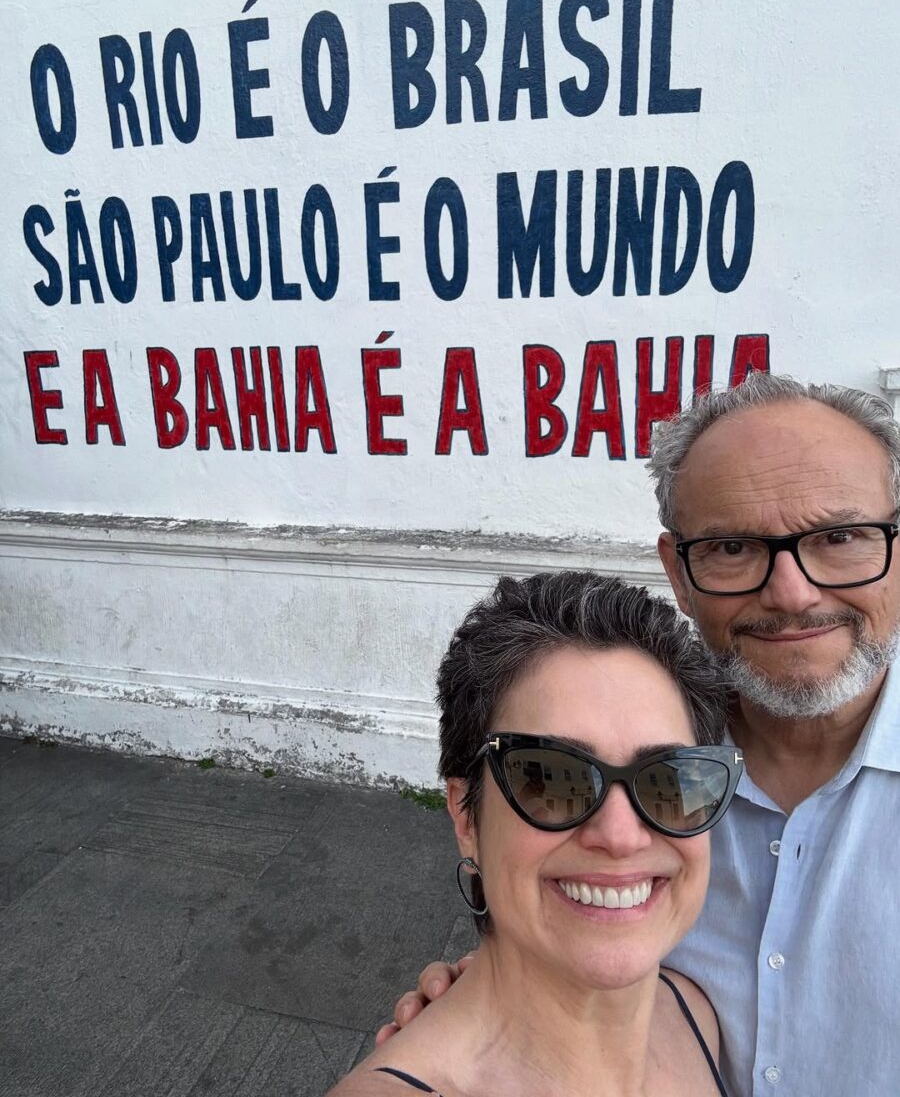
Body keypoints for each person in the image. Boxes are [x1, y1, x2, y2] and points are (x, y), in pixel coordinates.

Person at [381, 373, 900, 1096]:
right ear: (677, 574)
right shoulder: (649, 761)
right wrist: (501, 994)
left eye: (840, 536)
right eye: (732, 548)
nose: (792, 592)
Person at [329, 570, 742, 1096]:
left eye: (668, 781)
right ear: (466, 816)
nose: (621, 835)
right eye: (550, 779)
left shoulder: (693, 1013)